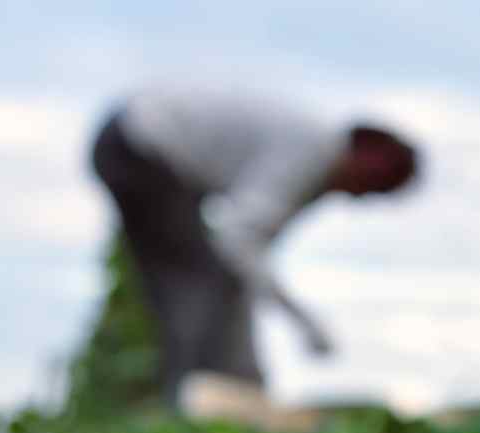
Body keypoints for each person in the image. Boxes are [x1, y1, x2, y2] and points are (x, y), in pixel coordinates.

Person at [90, 87, 419, 408]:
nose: (364, 197)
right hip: (141, 143)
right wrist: (303, 321)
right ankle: (200, 401)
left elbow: (245, 261)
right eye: (378, 182)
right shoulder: (311, 153)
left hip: (138, 140)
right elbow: (238, 243)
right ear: (366, 150)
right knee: (196, 285)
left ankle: (210, 396)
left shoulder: (314, 158)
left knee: (206, 280)